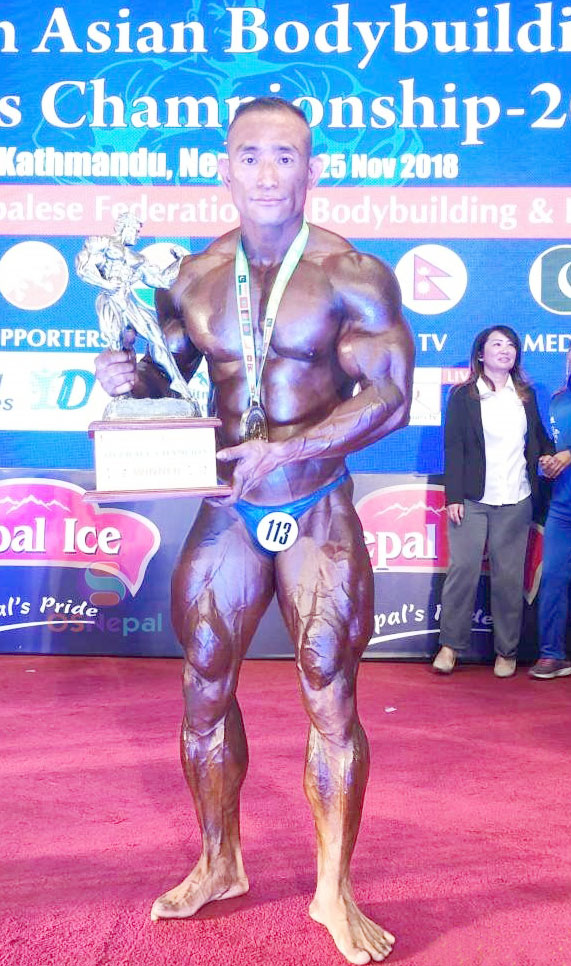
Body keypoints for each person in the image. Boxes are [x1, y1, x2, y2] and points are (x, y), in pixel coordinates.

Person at [94, 97, 414, 965]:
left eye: (285, 156)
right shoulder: (193, 278)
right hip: (228, 505)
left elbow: (391, 397)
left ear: (313, 168)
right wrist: (124, 375)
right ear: (223, 167)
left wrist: (290, 448)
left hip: (316, 501)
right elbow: (165, 379)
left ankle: (333, 889)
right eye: (249, 156)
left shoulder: (352, 274)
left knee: (330, 693)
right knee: (202, 684)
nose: (267, 173)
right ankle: (218, 861)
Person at [432, 326, 553, 678]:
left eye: (511, 344)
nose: (505, 349)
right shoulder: (463, 395)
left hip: (516, 498)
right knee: (463, 571)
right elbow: (454, 447)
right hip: (472, 499)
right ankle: (450, 647)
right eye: (497, 344)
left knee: (509, 578)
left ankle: (507, 651)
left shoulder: (526, 396)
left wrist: (549, 456)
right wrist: (453, 496)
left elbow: (539, 437)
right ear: (481, 354)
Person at [76, 211, 196, 403]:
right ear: (124, 227)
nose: (137, 235)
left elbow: (162, 281)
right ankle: (122, 396)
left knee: (157, 338)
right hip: (109, 300)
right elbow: (83, 268)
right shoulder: (102, 244)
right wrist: (106, 284)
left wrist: (181, 262)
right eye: (135, 230)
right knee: (117, 345)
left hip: (126, 302)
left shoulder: (137, 259)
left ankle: (178, 384)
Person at [529, 347, 571, 679]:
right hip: (561, 505)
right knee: (553, 578)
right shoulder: (558, 400)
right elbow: (556, 448)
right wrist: (549, 461)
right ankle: (552, 655)